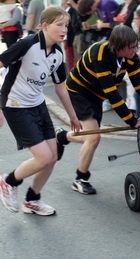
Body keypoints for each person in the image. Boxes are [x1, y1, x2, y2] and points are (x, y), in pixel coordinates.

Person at [56, 24, 140, 195]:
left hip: (97, 94)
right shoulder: (99, 54)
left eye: (136, 45)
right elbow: (113, 94)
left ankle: (61, 137)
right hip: (79, 90)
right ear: (119, 46)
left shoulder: (132, 57)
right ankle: (80, 178)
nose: (135, 49)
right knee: (94, 137)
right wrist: (132, 121)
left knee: (91, 135)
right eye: (131, 47)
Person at [0, 6, 81, 215]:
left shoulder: (57, 53)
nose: (64, 29)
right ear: (45, 26)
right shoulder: (26, 45)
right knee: (43, 157)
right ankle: (8, 182)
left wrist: (72, 116)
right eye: (59, 25)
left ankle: (32, 200)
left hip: (38, 106)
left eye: (66, 25)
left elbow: (60, 87)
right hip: (15, 106)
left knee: (52, 156)